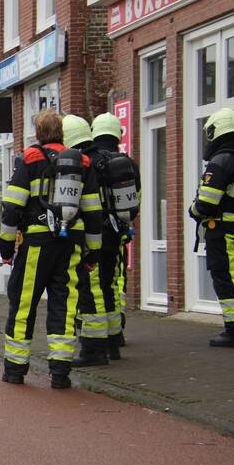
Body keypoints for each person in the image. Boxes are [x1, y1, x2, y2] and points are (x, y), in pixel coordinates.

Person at [0, 110, 102, 389]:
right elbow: (93, 211)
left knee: (23, 304)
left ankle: (15, 370)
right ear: (62, 134)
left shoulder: (29, 159)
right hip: (71, 244)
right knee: (65, 304)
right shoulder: (82, 162)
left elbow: (12, 207)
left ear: (38, 133)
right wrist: (93, 253)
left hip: (37, 242)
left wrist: (6, 248)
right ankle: (60, 372)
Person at [190, 108, 234, 348]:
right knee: (233, 273)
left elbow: (206, 201)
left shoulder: (221, 160)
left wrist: (193, 211)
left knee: (226, 275)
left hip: (223, 227)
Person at [89, 112, 140, 359]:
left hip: (97, 234)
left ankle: (102, 338)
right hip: (120, 233)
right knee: (115, 281)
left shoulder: (89, 160)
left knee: (97, 285)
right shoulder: (127, 163)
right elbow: (134, 200)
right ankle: (116, 331)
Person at [62, 115, 111, 367]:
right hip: (112, 231)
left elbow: (87, 206)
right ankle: (111, 340)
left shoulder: (83, 164)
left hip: (90, 234)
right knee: (108, 285)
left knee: (90, 290)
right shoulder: (109, 160)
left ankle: (94, 349)